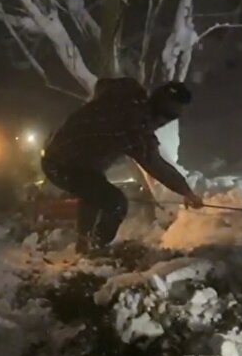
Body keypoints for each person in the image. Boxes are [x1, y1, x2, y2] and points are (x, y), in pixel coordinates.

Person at [41, 78, 203, 253]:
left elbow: (103, 84)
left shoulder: (125, 97)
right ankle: (96, 245)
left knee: (94, 192)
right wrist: (186, 191)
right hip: (64, 164)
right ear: (162, 115)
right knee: (115, 203)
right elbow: (157, 166)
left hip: (62, 156)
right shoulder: (135, 128)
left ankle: (85, 243)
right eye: (171, 117)